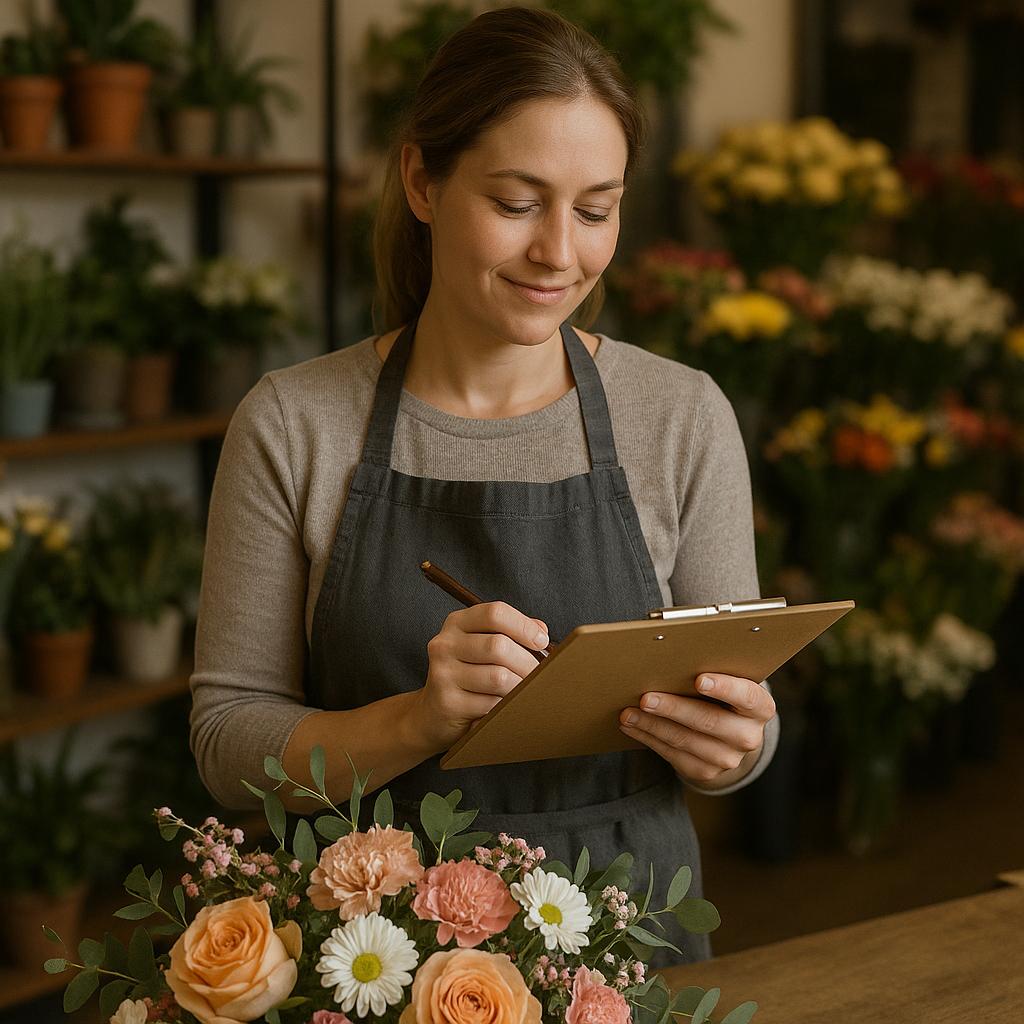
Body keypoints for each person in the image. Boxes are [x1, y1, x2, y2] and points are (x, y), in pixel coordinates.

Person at [190, 5, 778, 966]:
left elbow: (746, 713)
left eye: (596, 210)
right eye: (516, 203)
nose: (560, 251)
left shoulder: (681, 415)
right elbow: (227, 746)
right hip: (376, 952)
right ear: (423, 180)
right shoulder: (295, 421)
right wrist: (415, 720)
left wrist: (738, 749)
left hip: (631, 949)